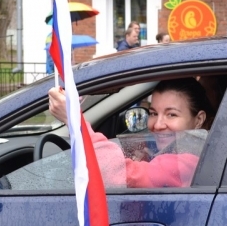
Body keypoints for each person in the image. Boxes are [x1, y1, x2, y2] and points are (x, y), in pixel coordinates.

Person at [48, 77, 214, 188]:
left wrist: (74, 120)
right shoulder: (199, 153)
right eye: (153, 113)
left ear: (199, 119)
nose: (158, 125)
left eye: (172, 114)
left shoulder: (189, 161)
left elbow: (116, 173)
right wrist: (149, 160)